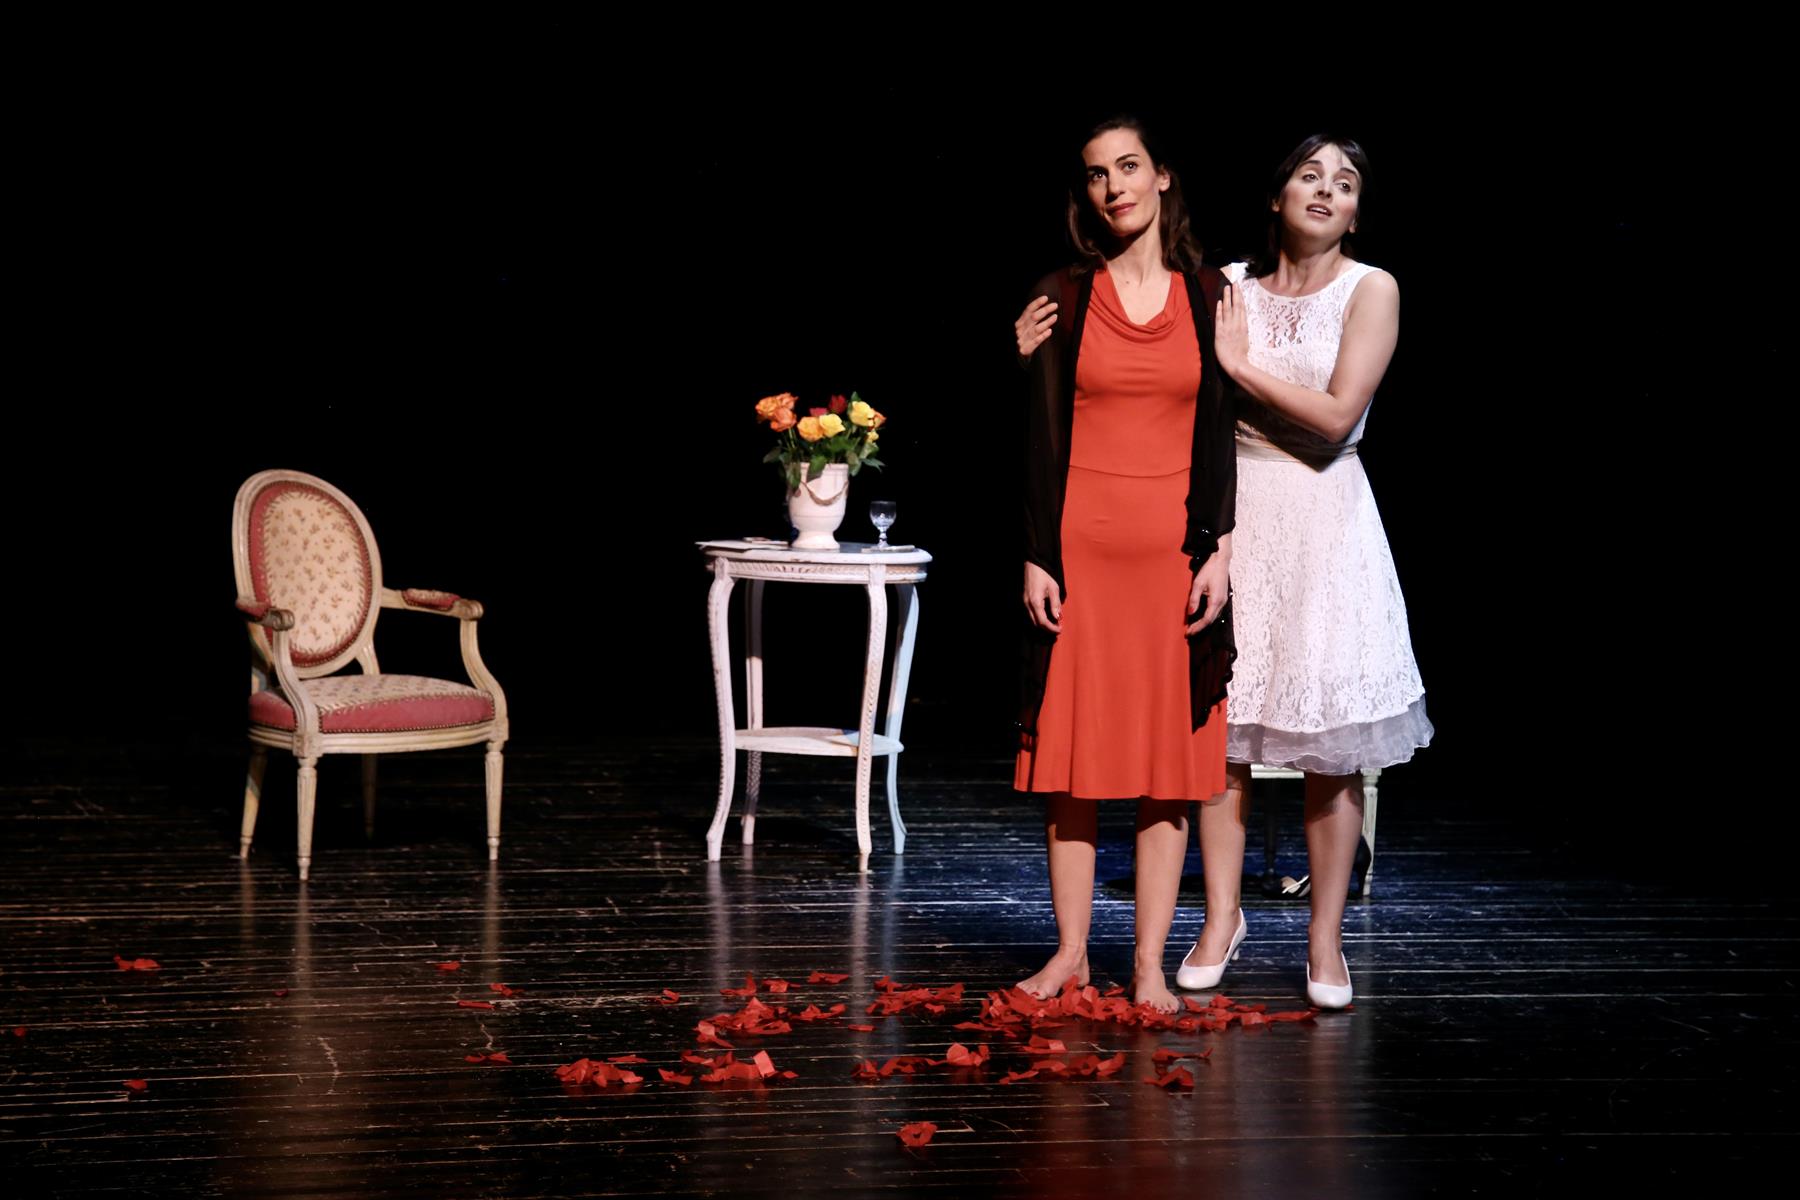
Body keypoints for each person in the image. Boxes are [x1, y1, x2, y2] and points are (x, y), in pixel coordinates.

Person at [1014, 134, 1433, 1009]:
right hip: (1233, 517)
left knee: (1328, 741)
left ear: (1359, 210)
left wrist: (1237, 369)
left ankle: (1324, 939)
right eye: (1309, 176)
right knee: (1219, 740)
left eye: (1345, 183)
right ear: (1276, 195)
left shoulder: (1366, 288)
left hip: (1317, 520)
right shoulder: (1228, 285)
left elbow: (1335, 416)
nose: (1325, 192)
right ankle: (1218, 920)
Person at [1012, 115, 1236, 1014]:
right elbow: (1037, 439)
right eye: (1098, 174)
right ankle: (1071, 954)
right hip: (1082, 554)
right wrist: (1038, 555)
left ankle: (1147, 962)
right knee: (1071, 769)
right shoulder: (1063, 296)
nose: (1115, 187)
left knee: (1165, 771)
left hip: (1172, 559)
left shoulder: (1210, 294)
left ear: (1163, 177)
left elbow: (1222, 431)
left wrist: (1219, 548)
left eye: (1129, 167)